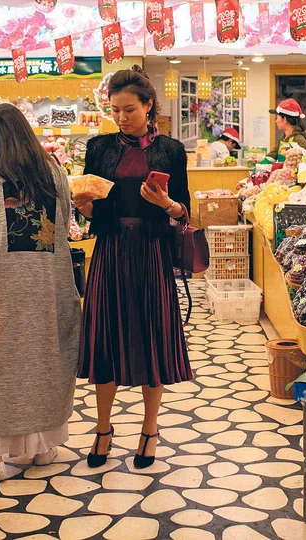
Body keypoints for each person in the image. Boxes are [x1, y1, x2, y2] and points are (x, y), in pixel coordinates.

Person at [74, 66, 193, 470]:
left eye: (129, 109)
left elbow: (184, 211)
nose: (121, 118)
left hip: (152, 252)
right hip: (109, 250)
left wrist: (167, 205)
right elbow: (94, 210)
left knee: (152, 340)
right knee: (104, 339)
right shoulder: (99, 147)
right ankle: (102, 429)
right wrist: (84, 205)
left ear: (148, 106)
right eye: (115, 110)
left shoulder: (171, 151)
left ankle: (149, 429)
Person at [0, 103, 81, 482]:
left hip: (1, 285)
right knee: (47, 356)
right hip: (50, 282)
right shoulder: (53, 168)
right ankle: (44, 447)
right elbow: (64, 222)